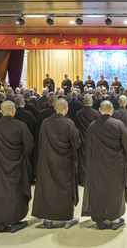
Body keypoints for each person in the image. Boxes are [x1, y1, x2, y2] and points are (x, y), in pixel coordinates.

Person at [82, 101, 127, 230]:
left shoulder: (92, 126)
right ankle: (115, 219)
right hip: (115, 164)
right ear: (112, 110)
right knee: (114, 190)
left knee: (98, 189)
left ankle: (100, 218)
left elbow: (88, 146)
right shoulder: (118, 125)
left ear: (100, 110)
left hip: (97, 164)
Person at [0, 101, 34, 233]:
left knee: (0, 190)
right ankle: (14, 221)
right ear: (14, 111)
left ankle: (1, 222)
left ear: (1, 111)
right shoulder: (20, 125)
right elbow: (29, 146)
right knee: (15, 191)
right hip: (16, 164)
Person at [32, 98, 81, 229]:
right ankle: (67, 218)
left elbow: (41, 140)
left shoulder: (45, 122)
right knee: (65, 188)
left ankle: (48, 218)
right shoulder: (69, 123)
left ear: (55, 108)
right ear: (66, 109)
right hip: (64, 162)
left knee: (48, 187)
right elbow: (77, 142)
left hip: (48, 160)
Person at [72, 95, 100, 186]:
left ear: (83, 102)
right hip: (94, 139)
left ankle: (83, 180)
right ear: (91, 102)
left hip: (82, 138)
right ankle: (93, 178)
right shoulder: (96, 113)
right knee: (94, 158)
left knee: (82, 160)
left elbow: (76, 126)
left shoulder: (79, 113)